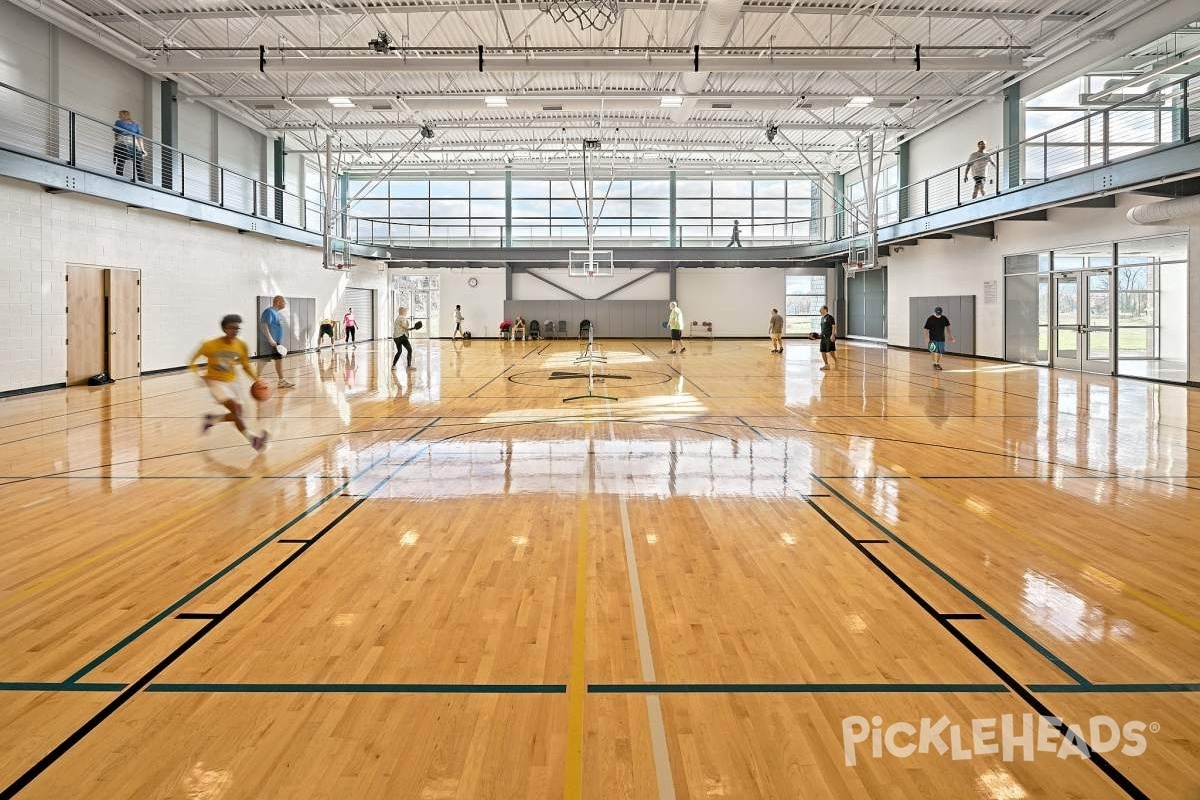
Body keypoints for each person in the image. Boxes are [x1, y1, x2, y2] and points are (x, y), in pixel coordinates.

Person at [190, 314, 267, 451]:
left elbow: (246, 366)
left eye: (237, 328)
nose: (235, 331)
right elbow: (192, 362)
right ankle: (254, 440)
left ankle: (212, 420)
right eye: (231, 328)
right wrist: (199, 375)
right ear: (224, 329)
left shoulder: (241, 345)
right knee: (236, 410)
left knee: (239, 412)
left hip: (233, 381)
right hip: (215, 382)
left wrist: (256, 379)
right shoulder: (209, 345)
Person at [259, 295, 295, 388]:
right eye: (284, 302)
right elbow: (263, 325)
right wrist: (270, 339)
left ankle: (281, 381)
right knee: (263, 362)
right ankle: (255, 381)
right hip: (268, 342)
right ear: (278, 302)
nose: (285, 304)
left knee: (279, 360)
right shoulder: (269, 311)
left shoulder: (276, 313)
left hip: (275, 343)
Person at [112, 110, 146, 182]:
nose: (119, 116)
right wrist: (142, 150)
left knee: (121, 161)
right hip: (134, 145)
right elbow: (140, 138)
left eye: (120, 115)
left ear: (124, 115)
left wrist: (116, 143)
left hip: (122, 143)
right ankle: (142, 181)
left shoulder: (118, 122)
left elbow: (116, 134)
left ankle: (119, 178)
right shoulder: (136, 125)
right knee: (138, 164)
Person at [924, 306, 954, 370]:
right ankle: (935, 363)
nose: (938, 314)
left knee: (940, 352)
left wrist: (950, 336)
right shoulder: (930, 318)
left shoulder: (944, 318)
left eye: (939, 313)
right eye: (937, 313)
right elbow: (926, 329)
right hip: (932, 338)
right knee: (933, 351)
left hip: (941, 338)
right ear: (934, 312)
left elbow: (948, 327)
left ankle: (937, 363)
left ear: (941, 312)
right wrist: (927, 339)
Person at [818, 305, 838, 370]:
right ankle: (826, 365)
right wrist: (820, 334)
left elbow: (833, 326)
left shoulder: (830, 317)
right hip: (823, 338)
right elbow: (823, 328)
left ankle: (836, 361)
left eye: (821, 309)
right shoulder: (822, 318)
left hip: (829, 337)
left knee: (831, 351)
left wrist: (832, 335)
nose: (820, 311)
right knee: (822, 351)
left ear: (825, 310)